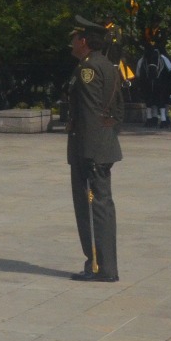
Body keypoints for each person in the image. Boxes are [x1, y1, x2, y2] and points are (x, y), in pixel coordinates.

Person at [67, 17, 122, 283]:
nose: (71, 43)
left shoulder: (87, 70)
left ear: (84, 41)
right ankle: (106, 266)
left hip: (89, 149)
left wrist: (89, 152)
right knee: (102, 205)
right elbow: (117, 111)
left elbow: (89, 113)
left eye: (74, 39)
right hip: (103, 144)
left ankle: (99, 266)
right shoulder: (109, 66)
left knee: (92, 208)